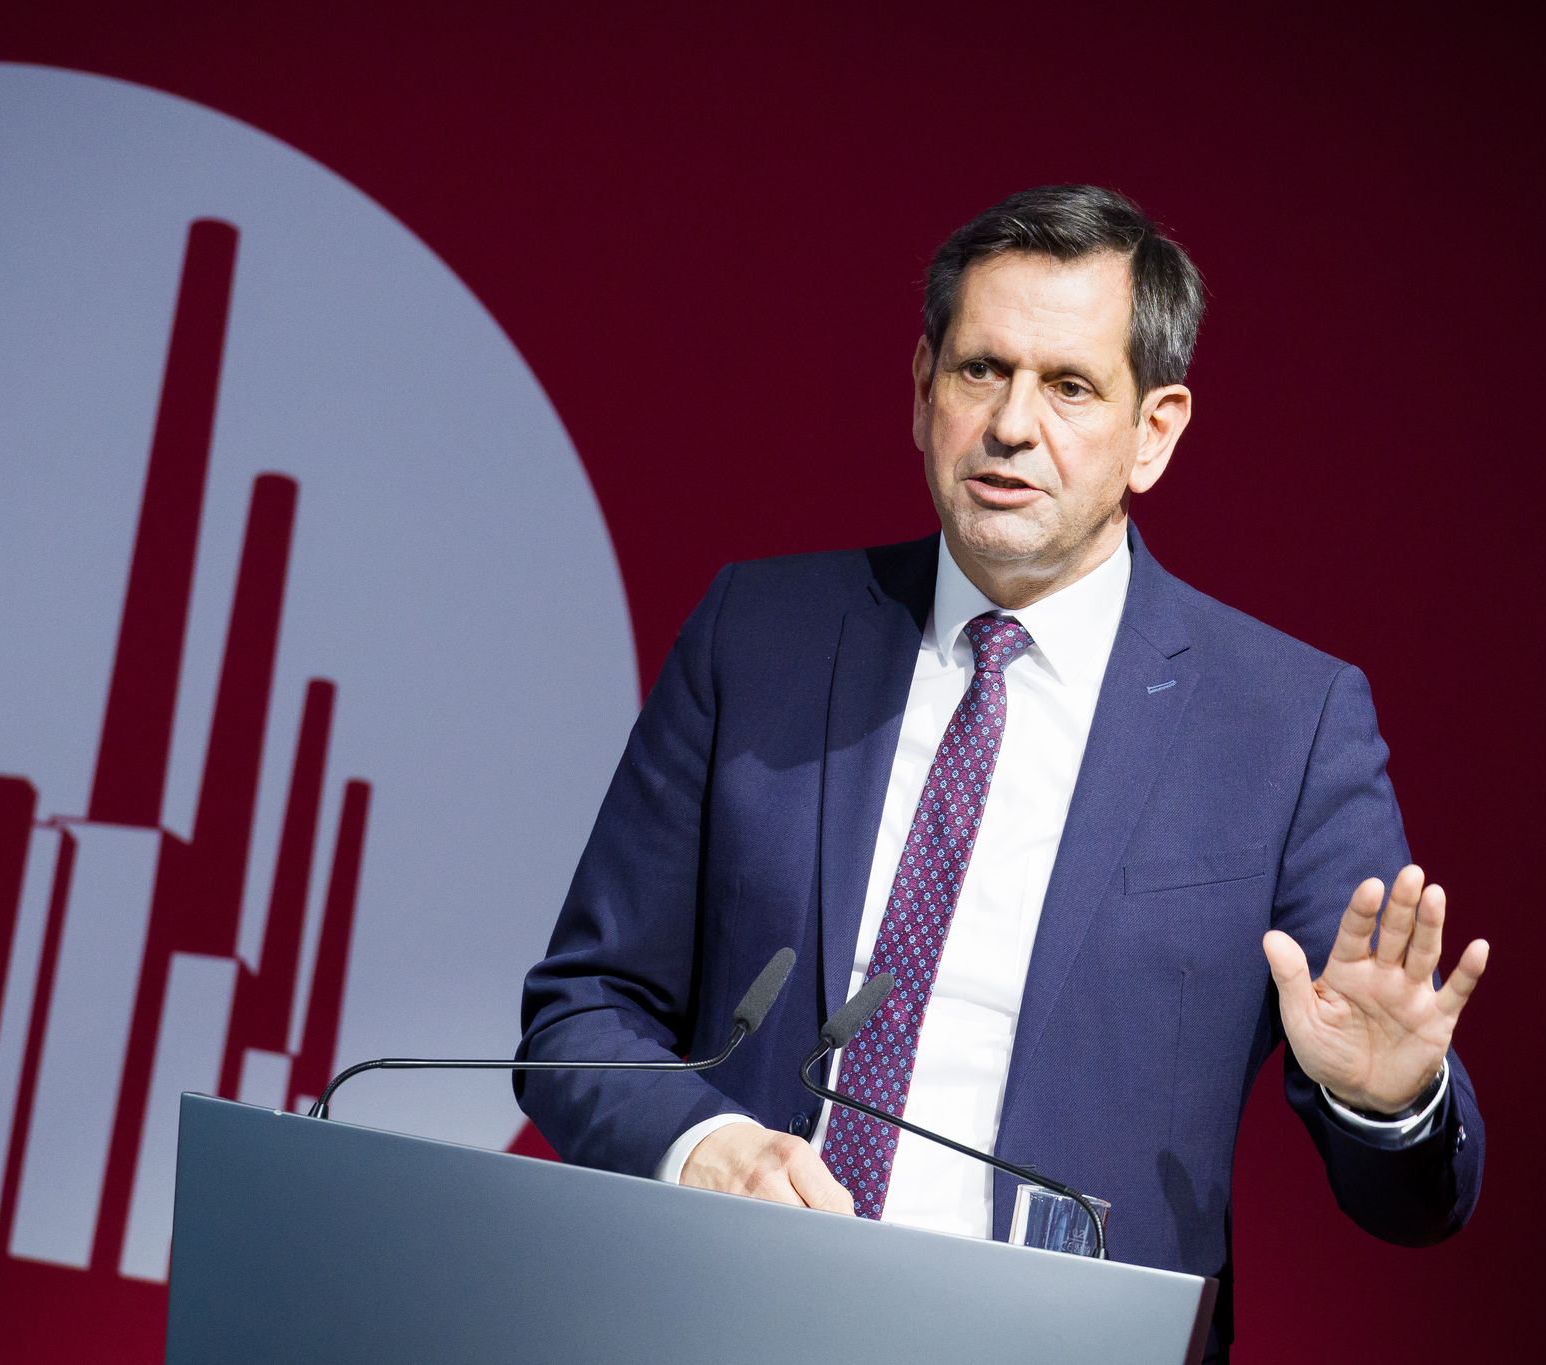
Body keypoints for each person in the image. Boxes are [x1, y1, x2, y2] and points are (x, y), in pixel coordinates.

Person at [517, 184, 1488, 1359]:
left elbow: (1414, 1204)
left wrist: (1383, 1099)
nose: (1010, 424)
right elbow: (580, 1012)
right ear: (921, 385)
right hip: (730, 1322)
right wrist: (700, 1147)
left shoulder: (1282, 724)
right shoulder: (759, 637)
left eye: (1068, 386)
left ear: (1154, 431)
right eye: (980, 370)